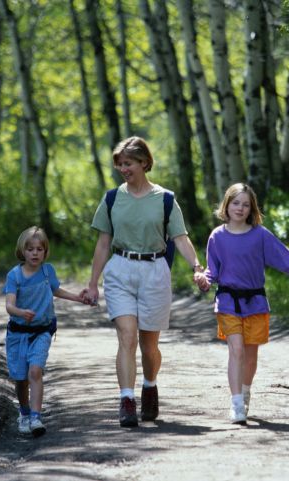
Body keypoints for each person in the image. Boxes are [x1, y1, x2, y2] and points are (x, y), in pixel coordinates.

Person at [82, 136, 209, 428]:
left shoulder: (165, 199)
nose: (123, 169)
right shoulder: (112, 198)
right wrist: (92, 282)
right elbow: (103, 243)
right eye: (119, 164)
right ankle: (126, 399)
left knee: (149, 345)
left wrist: (197, 268)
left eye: (128, 163)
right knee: (126, 336)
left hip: (154, 271)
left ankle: (150, 385)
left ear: (144, 163)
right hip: (121, 270)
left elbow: (180, 238)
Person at [203, 183, 289, 424]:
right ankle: (235, 404)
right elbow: (212, 271)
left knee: (251, 356)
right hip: (227, 301)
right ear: (227, 205)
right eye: (236, 203)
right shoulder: (217, 237)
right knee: (237, 350)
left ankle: (244, 393)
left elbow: (286, 259)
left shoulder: (260, 235)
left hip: (255, 302)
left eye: (245, 204)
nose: (240, 208)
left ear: (252, 209)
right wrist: (203, 279)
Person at [3, 226, 86, 437]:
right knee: (21, 378)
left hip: (43, 331)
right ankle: (23, 412)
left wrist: (77, 297)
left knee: (35, 371)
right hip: (18, 333)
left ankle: (36, 417)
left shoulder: (47, 271)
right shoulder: (15, 276)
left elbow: (55, 289)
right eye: (30, 249)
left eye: (39, 249)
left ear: (45, 252)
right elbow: (9, 306)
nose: (35, 253)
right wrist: (21, 312)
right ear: (22, 251)